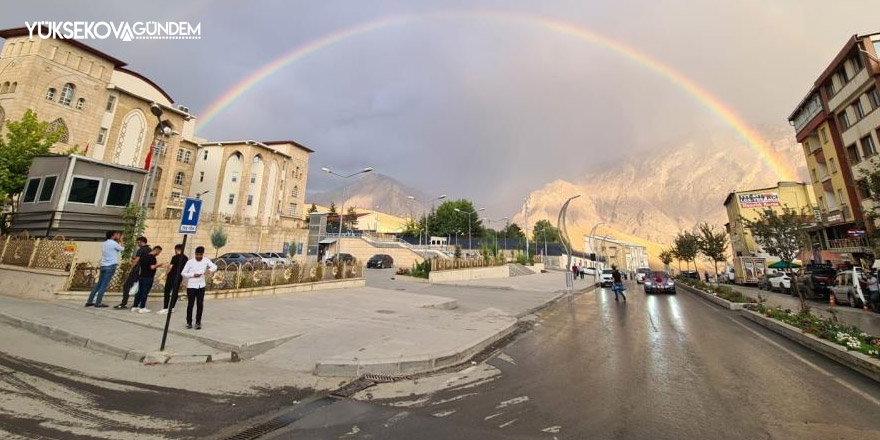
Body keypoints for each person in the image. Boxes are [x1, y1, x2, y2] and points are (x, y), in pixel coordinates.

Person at [181, 246, 218, 330]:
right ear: (195, 254)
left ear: (202, 254)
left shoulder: (206, 260)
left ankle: (198, 322)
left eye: (200, 255)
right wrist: (192, 275)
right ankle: (189, 322)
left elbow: (215, 266)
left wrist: (209, 270)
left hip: (201, 286)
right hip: (191, 286)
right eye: (197, 255)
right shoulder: (190, 262)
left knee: (200, 304)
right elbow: (183, 273)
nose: (198, 256)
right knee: (190, 304)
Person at [86, 231, 124, 308]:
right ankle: (98, 302)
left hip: (103, 265)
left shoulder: (104, 243)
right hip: (110, 266)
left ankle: (89, 301)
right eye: (116, 234)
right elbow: (123, 249)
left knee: (98, 284)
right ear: (113, 236)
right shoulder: (114, 244)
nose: (118, 235)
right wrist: (121, 241)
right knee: (104, 285)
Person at [114, 236, 151, 309]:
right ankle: (137, 304)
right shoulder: (149, 249)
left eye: (138, 242)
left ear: (141, 241)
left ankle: (123, 303)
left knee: (126, 286)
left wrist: (130, 269)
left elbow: (137, 260)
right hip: (145, 272)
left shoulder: (141, 249)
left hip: (137, 271)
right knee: (140, 287)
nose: (137, 244)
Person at [132, 246, 164, 313]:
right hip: (148, 277)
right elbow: (152, 267)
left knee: (139, 291)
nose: (158, 254)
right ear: (157, 250)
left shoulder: (143, 256)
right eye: (159, 252)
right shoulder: (152, 258)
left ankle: (135, 306)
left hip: (141, 276)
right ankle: (142, 307)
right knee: (145, 292)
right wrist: (159, 265)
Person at [159, 244, 188, 315]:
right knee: (175, 292)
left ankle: (165, 308)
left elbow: (171, 267)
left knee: (167, 291)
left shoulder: (175, 257)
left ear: (176, 249)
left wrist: (166, 274)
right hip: (179, 277)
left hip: (172, 276)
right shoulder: (185, 258)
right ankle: (172, 308)